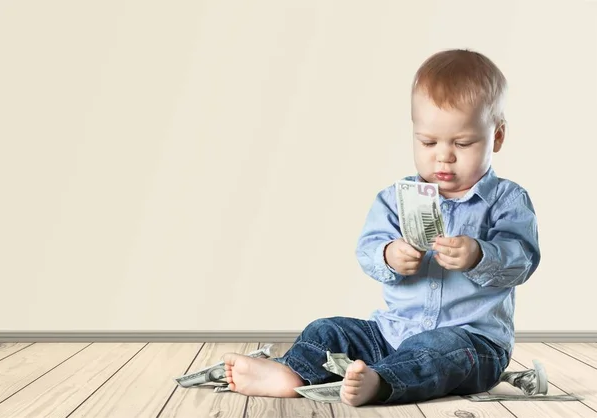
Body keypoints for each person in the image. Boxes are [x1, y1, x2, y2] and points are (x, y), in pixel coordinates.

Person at [222, 48, 541, 406]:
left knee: (439, 349)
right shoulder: (395, 198)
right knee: (329, 329)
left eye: (462, 143)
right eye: (428, 142)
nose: (443, 155)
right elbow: (368, 248)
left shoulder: (507, 200)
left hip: (473, 343)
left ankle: (383, 382)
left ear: (496, 137)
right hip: (392, 333)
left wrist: (480, 255)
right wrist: (389, 255)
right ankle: (292, 371)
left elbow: (523, 260)